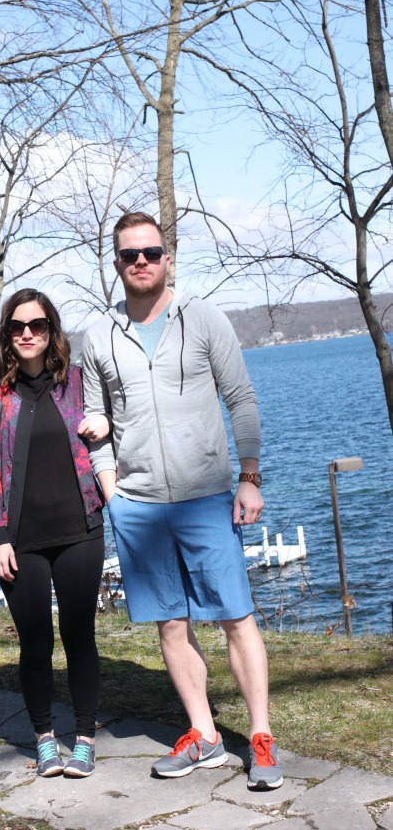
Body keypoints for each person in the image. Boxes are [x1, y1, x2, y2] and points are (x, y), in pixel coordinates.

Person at [81, 211, 283, 791]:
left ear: (167, 258)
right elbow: (94, 421)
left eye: (150, 252)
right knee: (170, 623)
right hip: (138, 506)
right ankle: (205, 734)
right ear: (116, 264)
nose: (141, 262)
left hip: (206, 498)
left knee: (236, 617)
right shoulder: (98, 336)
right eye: (129, 255)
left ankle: (261, 736)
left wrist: (250, 476)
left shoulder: (204, 318)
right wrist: (111, 490)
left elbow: (241, 398)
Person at [0, 288, 110, 778]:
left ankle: (85, 739)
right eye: (17, 326)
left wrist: (106, 423)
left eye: (37, 325)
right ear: (6, 333)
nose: (27, 333)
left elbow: (112, 427)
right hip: (20, 539)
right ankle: (45, 739)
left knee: (79, 635)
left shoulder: (78, 383)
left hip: (81, 529)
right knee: (35, 642)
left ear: (51, 329)